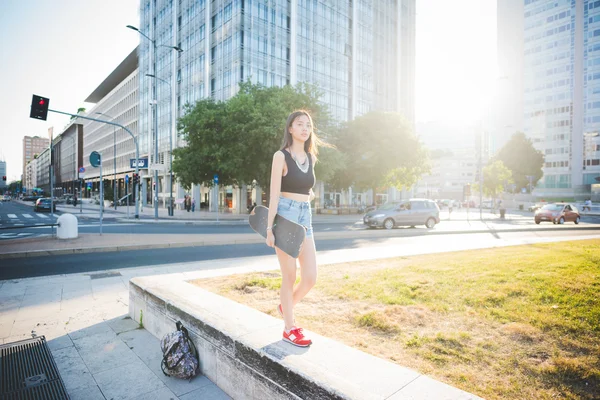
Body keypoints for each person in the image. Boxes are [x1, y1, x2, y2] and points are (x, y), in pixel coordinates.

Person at [266, 110, 330, 347]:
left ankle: (286, 307)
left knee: (310, 277)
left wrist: (309, 196)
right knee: (290, 275)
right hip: (285, 215)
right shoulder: (280, 156)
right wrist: (269, 228)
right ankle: (289, 328)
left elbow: (307, 187)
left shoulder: (311, 158)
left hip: (305, 217)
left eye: (308, 125)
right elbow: (274, 193)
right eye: (299, 124)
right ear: (290, 129)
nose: (305, 128)